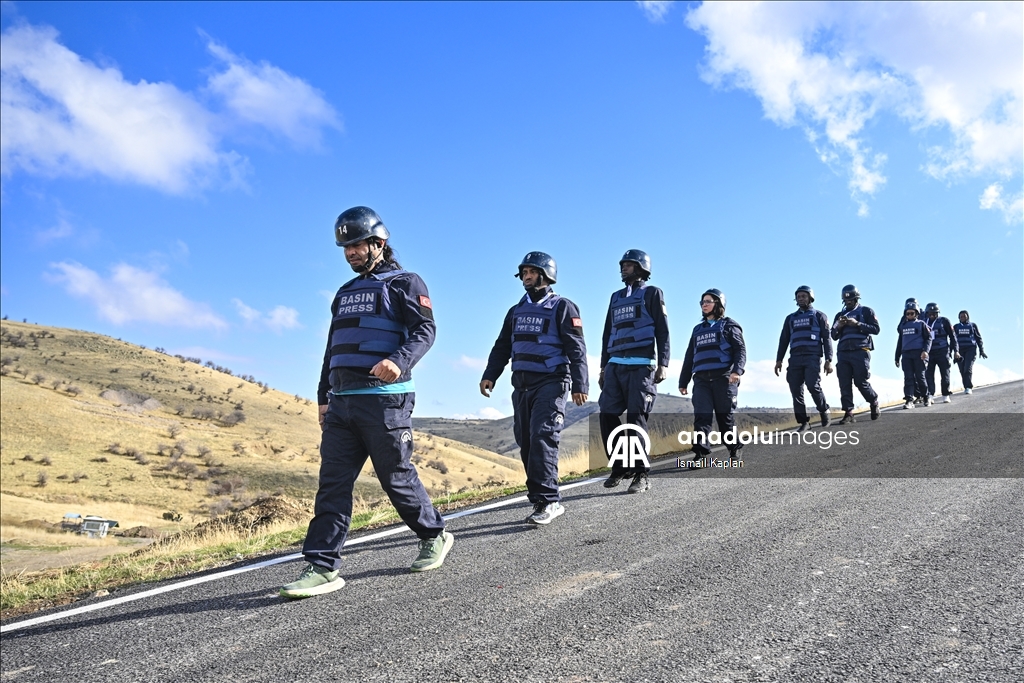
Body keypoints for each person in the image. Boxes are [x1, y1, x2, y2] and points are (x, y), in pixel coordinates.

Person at [281, 206, 452, 599]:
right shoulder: (344, 293)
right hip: (341, 403)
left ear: (380, 242)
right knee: (332, 484)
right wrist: (324, 396)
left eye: (357, 244)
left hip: (384, 402)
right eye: (346, 247)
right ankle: (322, 565)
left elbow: (426, 329)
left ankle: (434, 534)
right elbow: (331, 350)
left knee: (395, 476)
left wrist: (398, 360)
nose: (351, 252)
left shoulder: (405, 282)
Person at [480, 252, 589, 525]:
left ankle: (549, 500)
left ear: (545, 275)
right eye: (524, 273)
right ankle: (539, 499)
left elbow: (577, 349)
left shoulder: (563, 307)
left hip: (552, 382)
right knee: (526, 442)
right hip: (522, 385)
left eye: (531, 272)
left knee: (543, 436)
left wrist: (580, 383)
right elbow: (502, 346)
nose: (526, 277)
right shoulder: (515, 311)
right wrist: (489, 375)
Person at [598, 250, 670, 493]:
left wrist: (663, 363)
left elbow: (663, 330)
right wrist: (602, 367)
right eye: (623, 265)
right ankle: (620, 466)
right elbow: (607, 333)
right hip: (615, 364)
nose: (624, 268)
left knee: (635, 420)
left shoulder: (652, 293)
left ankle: (641, 473)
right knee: (607, 414)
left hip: (641, 365)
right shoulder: (615, 297)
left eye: (628, 265)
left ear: (641, 268)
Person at [678, 289, 746, 464]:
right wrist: (683, 381)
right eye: (702, 302)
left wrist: (737, 371)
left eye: (708, 301)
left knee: (725, 417)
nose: (704, 304)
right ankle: (700, 453)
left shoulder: (730, 325)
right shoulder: (697, 330)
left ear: (719, 304)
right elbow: (689, 356)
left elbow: (740, 350)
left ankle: (734, 448)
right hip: (701, 379)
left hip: (723, 377)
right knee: (702, 416)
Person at [774, 285, 833, 431]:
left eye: (804, 296)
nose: (801, 299)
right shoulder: (790, 318)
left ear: (810, 298)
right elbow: (784, 340)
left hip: (812, 357)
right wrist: (779, 360)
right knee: (795, 389)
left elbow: (827, 339)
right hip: (794, 358)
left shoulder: (819, 316)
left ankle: (824, 411)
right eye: (799, 296)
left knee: (813, 385)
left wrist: (828, 360)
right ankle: (803, 422)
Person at [830, 284, 880, 424]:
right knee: (844, 383)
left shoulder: (866, 311)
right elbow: (833, 335)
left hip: (861, 350)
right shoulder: (839, 315)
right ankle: (849, 412)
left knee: (860, 381)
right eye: (846, 300)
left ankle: (873, 401)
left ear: (857, 298)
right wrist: (839, 326)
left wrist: (857, 324)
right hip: (843, 352)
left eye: (851, 299)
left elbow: (876, 329)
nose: (848, 302)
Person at [895, 302, 932, 409]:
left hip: (918, 354)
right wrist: (897, 357)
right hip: (906, 354)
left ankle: (926, 397)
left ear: (916, 314)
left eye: (912, 313)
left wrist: (925, 351)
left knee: (920, 377)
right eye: (907, 314)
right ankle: (909, 400)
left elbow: (928, 339)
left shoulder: (921, 324)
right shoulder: (903, 326)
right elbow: (900, 342)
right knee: (908, 378)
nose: (910, 315)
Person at [924, 303, 960, 404]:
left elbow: (953, 337)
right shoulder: (923, 322)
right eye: (930, 313)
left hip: (943, 351)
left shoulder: (944, 321)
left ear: (938, 313)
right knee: (928, 374)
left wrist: (956, 351)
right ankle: (930, 395)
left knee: (945, 374)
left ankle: (945, 394)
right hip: (929, 352)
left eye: (934, 313)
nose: (932, 315)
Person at [954, 310, 987, 395]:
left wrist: (981, 350)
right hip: (960, 350)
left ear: (967, 317)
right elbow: (953, 340)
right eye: (961, 317)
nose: (963, 318)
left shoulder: (973, 325)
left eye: (964, 316)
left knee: (967, 368)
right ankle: (965, 386)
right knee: (962, 369)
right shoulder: (956, 327)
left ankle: (968, 387)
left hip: (970, 349)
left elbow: (978, 338)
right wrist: (953, 352)